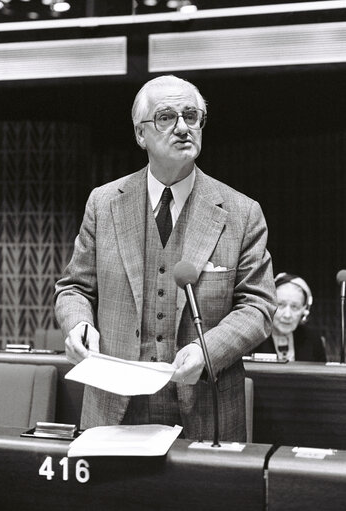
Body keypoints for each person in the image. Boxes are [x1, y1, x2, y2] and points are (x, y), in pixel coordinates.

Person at [54, 75, 276, 441]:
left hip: (205, 407)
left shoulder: (241, 212)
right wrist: (78, 325)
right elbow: (75, 287)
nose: (182, 127)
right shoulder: (104, 202)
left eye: (191, 116)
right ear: (141, 134)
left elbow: (258, 306)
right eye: (166, 117)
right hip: (113, 406)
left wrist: (206, 351)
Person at [254, 272, 326, 362]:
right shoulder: (253, 338)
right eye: (281, 305)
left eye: (294, 307)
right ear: (269, 305)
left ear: (305, 311)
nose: (287, 315)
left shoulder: (313, 339)